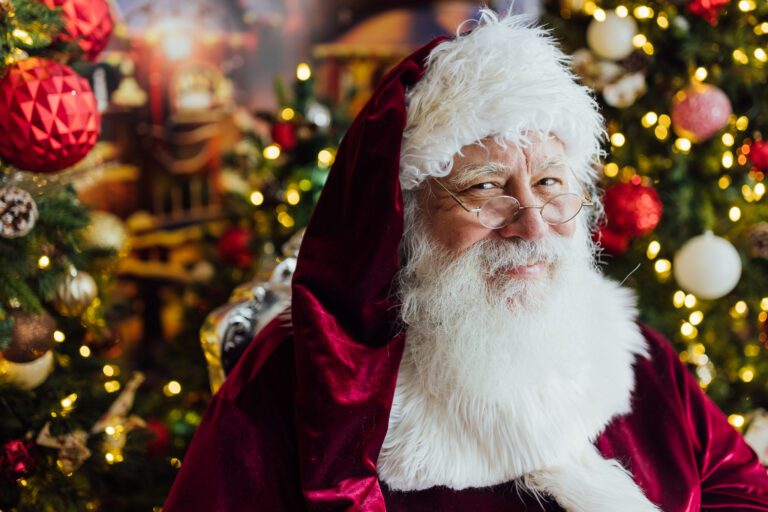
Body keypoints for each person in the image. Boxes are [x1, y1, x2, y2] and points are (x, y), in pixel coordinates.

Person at [164, 10, 768, 511]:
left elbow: (741, 490)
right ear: (407, 214)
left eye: (553, 182)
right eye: (484, 188)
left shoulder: (636, 357)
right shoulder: (302, 388)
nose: (533, 223)